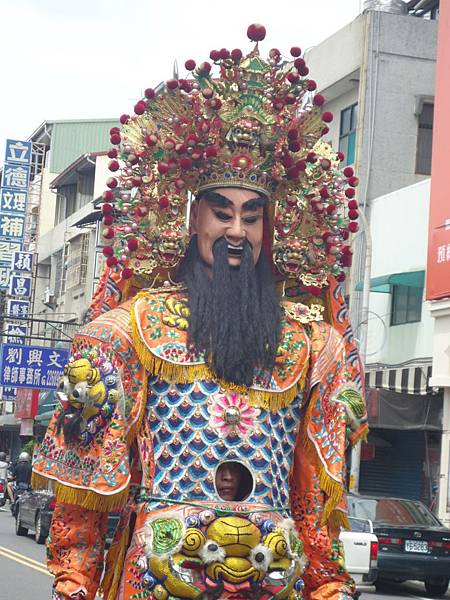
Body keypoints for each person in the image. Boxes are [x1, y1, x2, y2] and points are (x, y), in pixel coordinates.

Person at [33, 23, 367, 600]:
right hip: (159, 576)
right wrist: (75, 581)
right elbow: (82, 495)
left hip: (271, 575)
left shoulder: (316, 347)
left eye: (252, 216)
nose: (238, 231)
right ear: (191, 221)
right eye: (222, 212)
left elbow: (315, 502)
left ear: (273, 226)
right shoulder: (126, 333)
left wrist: (329, 584)